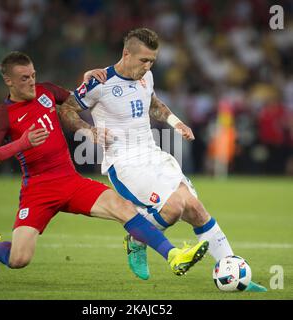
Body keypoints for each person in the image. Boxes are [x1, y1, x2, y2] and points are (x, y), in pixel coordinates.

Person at [0, 51, 209, 278]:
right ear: (8, 81)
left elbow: (79, 100)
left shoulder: (46, 92)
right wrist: (22, 143)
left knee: (124, 208)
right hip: (37, 190)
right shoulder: (3, 115)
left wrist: (88, 80)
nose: (31, 82)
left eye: (33, 75)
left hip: (70, 182)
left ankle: (174, 256)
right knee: (19, 259)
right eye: (24, 78)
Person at [61, 28, 267, 292]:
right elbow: (66, 108)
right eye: (143, 60)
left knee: (194, 207)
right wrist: (87, 130)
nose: (148, 66)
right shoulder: (99, 82)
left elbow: (154, 104)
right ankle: (137, 240)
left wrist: (176, 123)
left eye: (152, 61)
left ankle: (235, 273)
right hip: (124, 163)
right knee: (172, 207)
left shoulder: (147, 76)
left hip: (153, 154)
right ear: (127, 53)